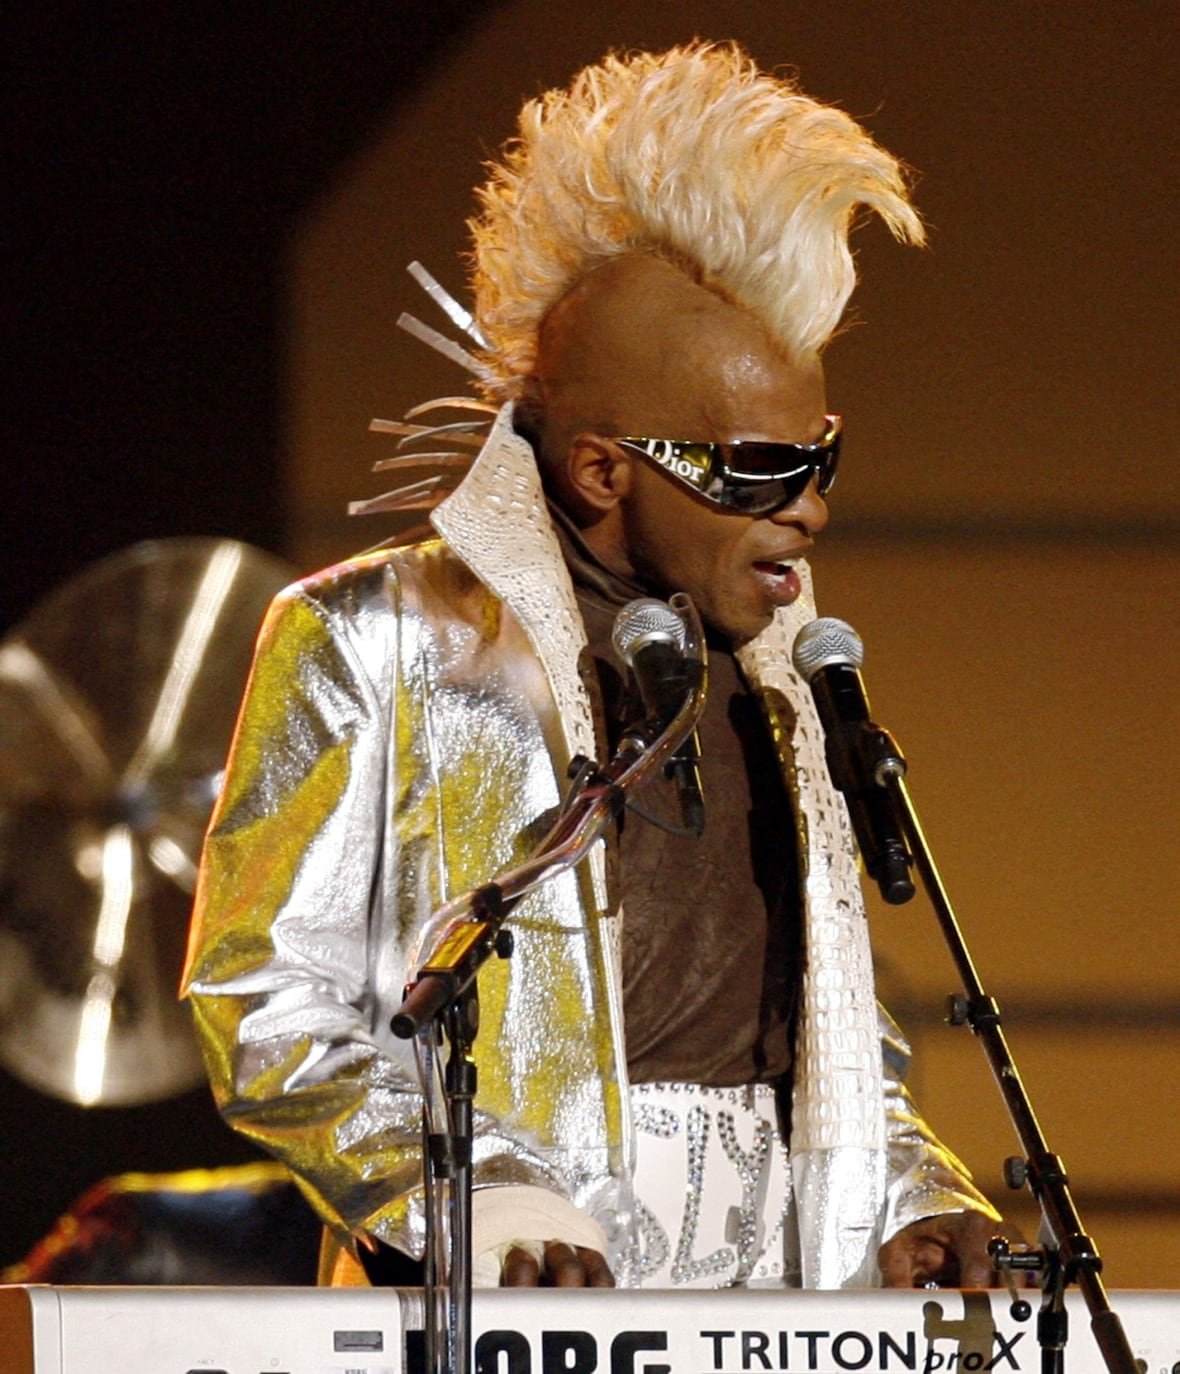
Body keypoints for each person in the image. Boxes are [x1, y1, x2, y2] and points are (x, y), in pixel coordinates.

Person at [183, 42, 1009, 1292]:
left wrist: (912, 1197)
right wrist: (479, 1201)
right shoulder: (372, 637)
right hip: (510, 1281)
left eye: (819, 458)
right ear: (602, 471)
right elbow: (265, 997)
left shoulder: (790, 677)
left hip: (783, 1286)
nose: (808, 510)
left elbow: (834, 1033)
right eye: (757, 469)